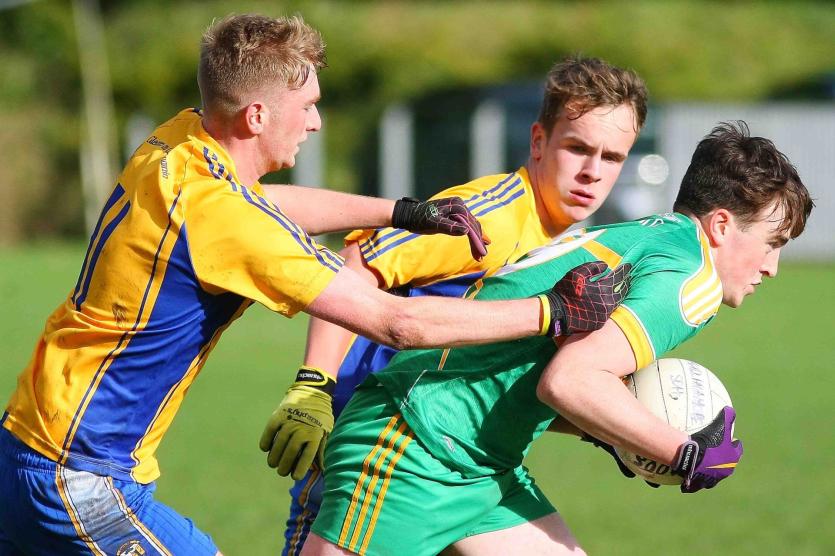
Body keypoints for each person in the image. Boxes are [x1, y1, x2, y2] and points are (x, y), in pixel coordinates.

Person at [0, 14, 631, 556]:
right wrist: (551, 311)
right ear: (256, 115)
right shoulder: (230, 222)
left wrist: (399, 211)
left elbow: (263, 203)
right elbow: (395, 323)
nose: (317, 123)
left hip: (27, 439)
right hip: (83, 472)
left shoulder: (178, 145)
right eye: (306, 107)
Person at [300, 121, 814, 556]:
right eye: (772, 243)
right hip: (416, 445)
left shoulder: (650, 236)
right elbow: (569, 381)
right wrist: (685, 453)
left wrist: (612, 432)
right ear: (721, 225)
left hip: (479, 463)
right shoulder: (692, 279)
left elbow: (540, 374)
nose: (771, 267)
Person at [260, 55, 649, 555]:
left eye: (612, 157)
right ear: (538, 141)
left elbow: (485, 377)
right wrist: (314, 385)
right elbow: (359, 259)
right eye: (577, 148)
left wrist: (605, 427)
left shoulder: (573, 246)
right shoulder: (494, 216)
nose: (592, 172)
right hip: (384, 449)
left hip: (469, 463)